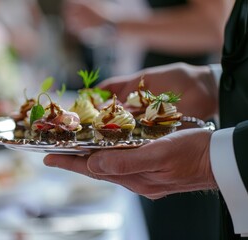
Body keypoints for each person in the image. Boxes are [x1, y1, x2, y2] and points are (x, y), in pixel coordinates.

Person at [44, 0, 248, 239]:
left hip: (191, 147)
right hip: (163, 118)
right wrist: (210, 86)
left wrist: (211, 159)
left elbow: (214, 25)